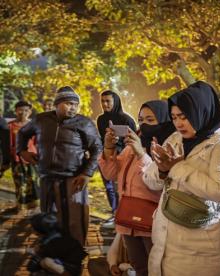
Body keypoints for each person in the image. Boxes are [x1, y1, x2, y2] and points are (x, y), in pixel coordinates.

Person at [142, 81, 220, 275]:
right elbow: (150, 180)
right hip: (167, 243)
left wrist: (177, 167)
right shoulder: (175, 139)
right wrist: (162, 171)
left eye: (184, 117)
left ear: (201, 112)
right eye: (174, 117)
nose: (179, 123)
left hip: (204, 249)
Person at [17, 86, 102, 246]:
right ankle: (52, 249)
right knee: (49, 216)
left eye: (75, 105)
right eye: (69, 103)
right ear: (57, 104)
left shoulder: (84, 123)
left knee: (75, 218)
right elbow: (22, 133)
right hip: (47, 177)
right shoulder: (41, 120)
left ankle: (75, 253)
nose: (73, 108)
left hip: (74, 178)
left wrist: (86, 173)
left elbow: (97, 148)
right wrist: (22, 151)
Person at [98, 100, 174, 276]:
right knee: (139, 267)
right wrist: (109, 147)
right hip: (128, 217)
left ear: (163, 120)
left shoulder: (169, 146)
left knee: (157, 268)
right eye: (141, 120)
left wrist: (141, 152)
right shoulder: (132, 146)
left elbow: (160, 181)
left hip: (153, 219)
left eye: (150, 120)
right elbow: (110, 174)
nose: (144, 124)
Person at [97, 90, 137, 228]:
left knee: (120, 188)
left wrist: (119, 141)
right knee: (109, 187)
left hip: (124, 158)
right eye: (102, 101)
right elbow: (102, 140)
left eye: (108, 101)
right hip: (107, 157)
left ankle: (123, 215)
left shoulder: (127, 119)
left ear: (116, 101)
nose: (104, 104)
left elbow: (134, 141)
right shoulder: (101, 120)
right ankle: (115, 214)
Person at [8, 100, 39, 211]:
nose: (23, 112)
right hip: (16, 158)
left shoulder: (34, 125)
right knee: (19, 181)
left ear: (30, 112)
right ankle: (20, 205)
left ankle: (34, 206)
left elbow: (36, 142)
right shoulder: (10, 126)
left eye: (26, 110)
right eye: (20, 109)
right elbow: (9, 142)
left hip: (31, 158)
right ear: (16, 111)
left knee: (33, 181)